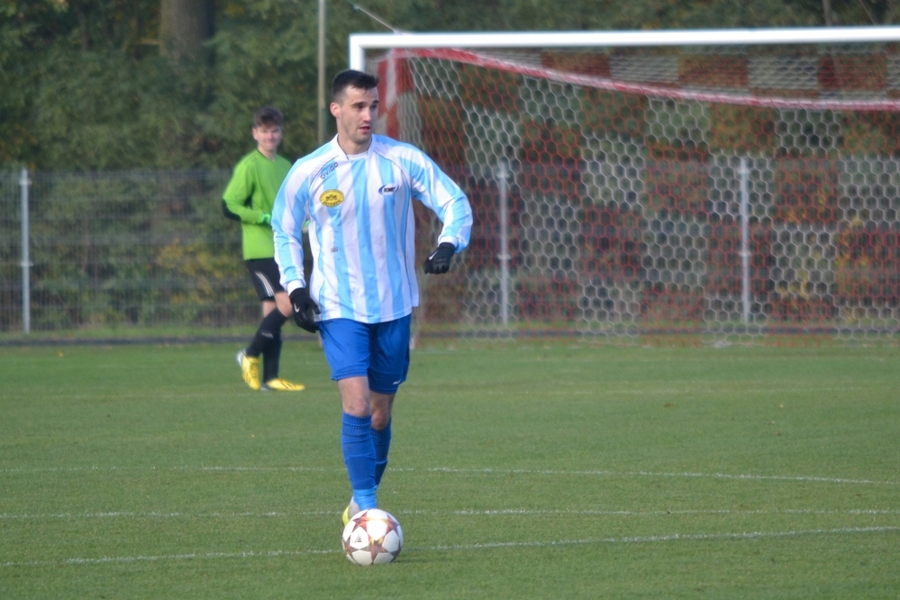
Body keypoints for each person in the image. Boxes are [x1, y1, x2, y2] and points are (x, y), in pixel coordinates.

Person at [271, 70, 473, 523]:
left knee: (380, 414)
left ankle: (363, 498)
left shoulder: (402, 160)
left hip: (394, 304)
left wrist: (448, 243)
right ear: (336, 109)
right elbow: (284, 230)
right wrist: (296, 287)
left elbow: (454, 202)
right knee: (358, 405)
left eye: (373, 106)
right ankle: (366, 509)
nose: (368, 115)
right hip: (337, 305)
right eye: (358, 106)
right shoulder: (308, 170)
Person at [223, 106, 305, 392]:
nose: (270, 136)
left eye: (274, 131)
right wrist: (261, 217)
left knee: (272, 313)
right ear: (255, 133)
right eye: (264, 131)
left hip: (283, 249)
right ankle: (249, 354)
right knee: (288, 305)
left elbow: (293, 204)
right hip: (260, 251)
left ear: (280, 133)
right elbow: (229, 205)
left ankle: (271, 378)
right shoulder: (249, 166)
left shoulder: (285, 165)